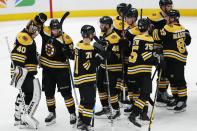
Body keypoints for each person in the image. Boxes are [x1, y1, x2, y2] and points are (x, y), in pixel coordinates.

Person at [11, 13, 47, 129]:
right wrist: (20, 73)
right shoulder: (25, 36)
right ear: (31, 27)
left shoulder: (28, 37)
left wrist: (37, 58)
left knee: (27, 93)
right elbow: (18, 56)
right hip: (23, 71)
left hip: (26, 71)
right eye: (35, 28)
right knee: (30, 93)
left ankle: (18, 117)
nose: (36, 31)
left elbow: (28, 53)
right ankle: (21, 117)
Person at [152, 9, 191, 112]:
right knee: (172, 79)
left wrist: (150, 28)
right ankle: (176, 98)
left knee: (178, 79)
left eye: (167, 17)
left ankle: (182, 100)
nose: (165, 18)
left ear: (172, 18)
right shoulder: (182, 28)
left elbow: (157, 36)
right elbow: (188, 40)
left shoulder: (168, 28)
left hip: (175, 57)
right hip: (176, 57)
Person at [39, 19, 76, 125]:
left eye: (58, 29)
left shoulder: (66, 39)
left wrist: (67, 52)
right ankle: (51, 113)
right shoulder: (46, 32)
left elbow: (73, 56)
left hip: (61, 72)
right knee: (48, 93)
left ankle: (72, 113)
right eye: (54, 29)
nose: (56, 31)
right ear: (50, 29)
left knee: (66, 94)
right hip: (47, 71)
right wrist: (39, 18)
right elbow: (36, 25)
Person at [127, 18, 161, 127]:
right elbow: (146, 56)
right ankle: (134, 114)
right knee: (145, 93)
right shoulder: (148, 38)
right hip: (142, 70)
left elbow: (141, 52)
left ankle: (140, 113)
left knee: (140, 93)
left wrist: (154, 54)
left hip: (132, 70)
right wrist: (157, 62)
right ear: (148, 27)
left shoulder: (137, 37)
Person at [74, 25, 103, 131]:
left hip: (80, 79)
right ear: (89, 34)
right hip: (86, 79)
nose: (94, 35)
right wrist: (101, 56)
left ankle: (81, 120)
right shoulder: (87, 49)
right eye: (93, 34)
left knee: (84, 101)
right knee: (90, 102)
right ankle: (86, 124)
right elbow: (89, 65)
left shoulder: (79, 45)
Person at [148, 0, 174, 106]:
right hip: (156, 48)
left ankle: (163, 92)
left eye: (170, 5)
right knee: (162, 70)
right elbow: (148, 33)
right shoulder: (153, 17)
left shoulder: (172, 16)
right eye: (167, 6)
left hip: (167, 49)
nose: (170, 7)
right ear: (162, 7)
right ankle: (160, 94)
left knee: (166, 71)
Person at [95, 16, 121, 119]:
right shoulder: (102, 34)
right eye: (101, 24)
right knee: (100, 86)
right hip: (103, 66)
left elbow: (116, 56)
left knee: (111, 89)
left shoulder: (115, 37)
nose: (101, 26)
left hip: (113, 67)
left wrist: (107, 52)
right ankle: (105, 107)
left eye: (104, 25)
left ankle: (116, 110)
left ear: (109, 25)